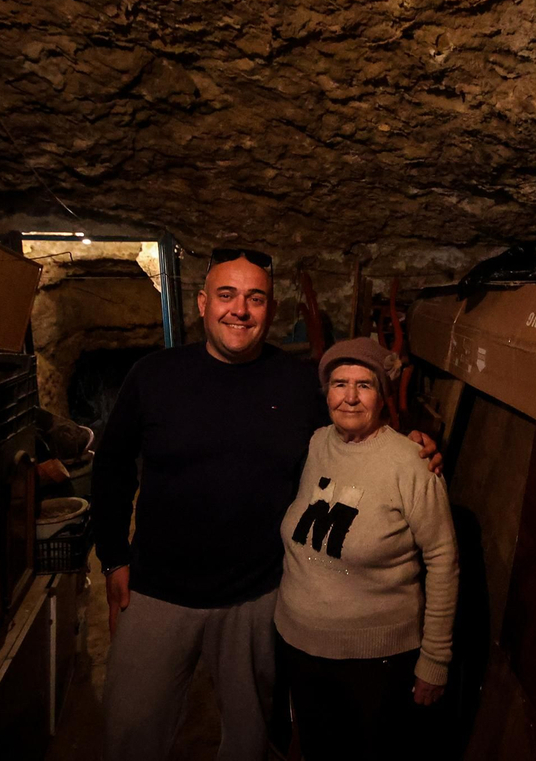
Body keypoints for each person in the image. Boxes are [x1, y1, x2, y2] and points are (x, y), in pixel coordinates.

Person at [95, 248, 439, 761]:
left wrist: (420, 441)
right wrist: (113, 557)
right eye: (227, 295)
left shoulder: (300, 384)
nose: (240, 310)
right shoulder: (153, 375)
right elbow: (112, 465)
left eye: (255, 298)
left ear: (270, 311)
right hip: (158, 590)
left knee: (249, 739)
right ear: (203, 303)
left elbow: (355, 431)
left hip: (257, 597)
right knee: (131, 730)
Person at [274, 337, 458, 761]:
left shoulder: (411, 463)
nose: (350, 397)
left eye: (365, 385)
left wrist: (435, 658)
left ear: (383, 395)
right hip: (300, 646)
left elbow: (444, 561)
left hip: (374, 662)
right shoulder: (317, 443)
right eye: (340, 384)